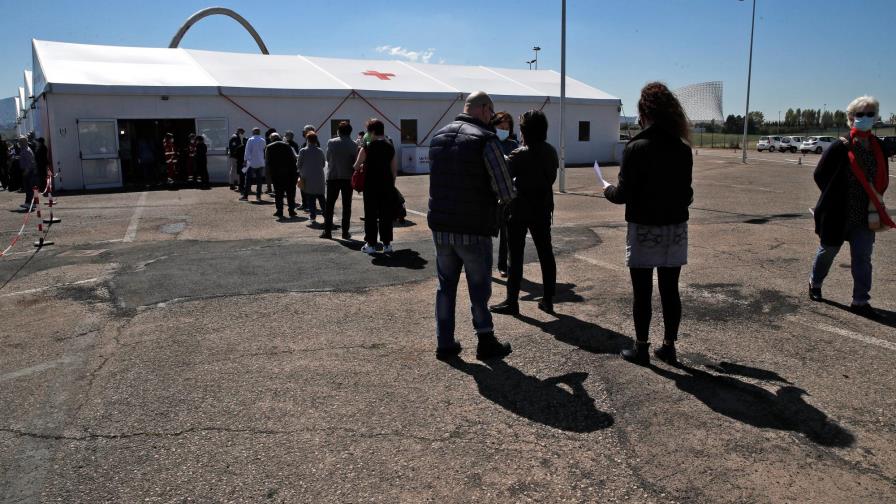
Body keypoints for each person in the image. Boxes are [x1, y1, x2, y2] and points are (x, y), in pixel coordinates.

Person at [604, 82, 693, 366]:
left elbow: (622, 194)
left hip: (644, 228)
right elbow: (687, 193)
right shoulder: (682, 148)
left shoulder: (636, 147)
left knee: (642, 291)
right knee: (670, 289)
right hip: (675, 228)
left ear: (644, 112)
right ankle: (669, 346)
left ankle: (641, 347)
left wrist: (606, 189)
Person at [428, 91, 516, 361]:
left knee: (446, 286)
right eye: (491, 112)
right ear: (485, 109)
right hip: (473, 226)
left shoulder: (438, 137)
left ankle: (445, 342)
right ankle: (485, 340)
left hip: (441, 225)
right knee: (479, 287)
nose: (492, 117)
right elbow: (505, 189)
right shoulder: (485, 139)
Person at [809, 96, 892, 319]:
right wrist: (833, 195)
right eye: (860, 114)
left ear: (875, 118)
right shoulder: (840, 146)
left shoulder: (879, 147)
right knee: (828, 251)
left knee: (863, 258)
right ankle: (815, 282)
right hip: (838, 212)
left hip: (866, 214)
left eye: (870, 114)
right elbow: (819, 174)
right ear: (851, 118)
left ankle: (860, 300)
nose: (865, 118)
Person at [490, 110, 558, 315]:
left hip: (519, 210)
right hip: (543, 208)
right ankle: (548, 299)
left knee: (515, 256)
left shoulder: (519, 154)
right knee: (546, 253)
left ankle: (512, 301)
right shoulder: (551, 152)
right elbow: (550, 178)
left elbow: (504, 177)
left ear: (525, 131)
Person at [353, 119, 397, 254]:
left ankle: (371, 244)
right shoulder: (390, 147)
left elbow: (355, 166)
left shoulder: (367, 148)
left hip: (370, 185)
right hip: (386, 185)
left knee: (370, 215)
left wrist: (361, 166)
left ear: (371, 132)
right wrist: (391, 184)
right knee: (385, 214)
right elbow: (394, 170)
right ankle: (387, 244)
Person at [491, 111, 520, 277]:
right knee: (486, 232)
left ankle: (503, 265)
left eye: (507, 127)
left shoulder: (513, 144)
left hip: (508, 195)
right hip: (492, 195)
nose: (504, 130)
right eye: (500, 127)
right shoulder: (490, 143)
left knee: (506, 234)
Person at [323, 121, 358, 239]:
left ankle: (327, 232)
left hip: (333, 176)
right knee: (346, 206)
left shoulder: (331, 142)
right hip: (348, 178)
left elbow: (327, 157)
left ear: (338, 131)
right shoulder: (354, 144)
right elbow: (355, 163)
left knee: (329, 206)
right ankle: (345, 232)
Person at [265, 132, 299, 219]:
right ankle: (291, 210)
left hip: (276, 174)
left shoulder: (269, 147)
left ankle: (279, 211)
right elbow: (293, 158)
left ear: (271, 139)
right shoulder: (287, 145)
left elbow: (267, 161)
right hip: (289, 173)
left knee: (278, 193)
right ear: (279, 137)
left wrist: (268, 174)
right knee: (290, 193)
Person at [298, 132, 326, 223]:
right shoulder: (320, 151)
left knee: (311, 198)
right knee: (321, 197)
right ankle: (326, 215)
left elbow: (298, 165)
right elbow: (322, 164)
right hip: (319, 177)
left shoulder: (303, 151)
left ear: (307, 140)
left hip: (307, 177)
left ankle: (312, 216)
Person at [242, 127, 266, 202]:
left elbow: (247, 151)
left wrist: (245, 160)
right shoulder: (263, 140)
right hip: (260, 162)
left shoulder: (250, 140)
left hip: (251, 162)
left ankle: (245, 196)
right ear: (259, 132)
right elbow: (263, 150)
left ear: (253, 132)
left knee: (248, 180)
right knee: (259, 180)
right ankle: (258, 196)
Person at [298, 124, 316, 210]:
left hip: (309, 170)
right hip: (304, 169)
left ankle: (310, 205)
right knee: (303, 187)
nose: (303, 132)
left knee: (310, 188)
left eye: (304, 131)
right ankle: (305, 203)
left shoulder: (313, 143)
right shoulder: (305, 142)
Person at [17, 136, 36, 210]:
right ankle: (28, 203)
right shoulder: (25, 149)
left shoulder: (26, 150)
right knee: (28, 188)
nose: (19, 143)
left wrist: (26, 171)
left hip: (28, 171)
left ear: (24, 142)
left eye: (20, 142)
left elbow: (30, 162)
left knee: (28, 188)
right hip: (28, 171)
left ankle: (30, 203)